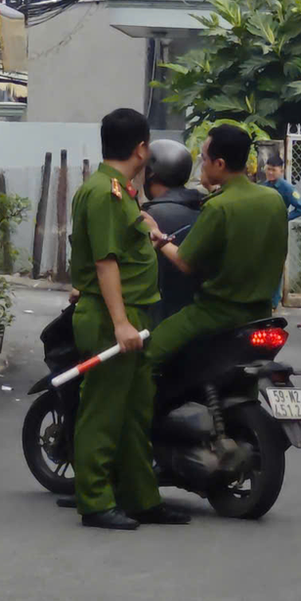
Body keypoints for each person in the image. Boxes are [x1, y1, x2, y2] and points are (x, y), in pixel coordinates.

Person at [66, 107, 173, 531]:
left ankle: (141, 498)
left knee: (132, 412)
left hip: (134, 312)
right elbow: (105, 262)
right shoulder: (105, 192)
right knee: (103, 410)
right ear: (142, 148)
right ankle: (94, 501)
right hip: (116, 314)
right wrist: (121, 324)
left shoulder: (121, 191)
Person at [144, 124, 290, 367]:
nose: (202, 163)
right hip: (262, 313)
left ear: (219, 164)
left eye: (204, 158)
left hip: (216, 312)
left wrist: (158, 238)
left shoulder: (218, 206)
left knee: (147, 356)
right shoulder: (273, 199)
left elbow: (185, 262)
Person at [143, 138, 206, 323]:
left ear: (150, 174)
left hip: (159, 316)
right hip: (201, 311)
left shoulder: (148, 217)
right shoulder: (206, 207)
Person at [260, 153, 301, 221]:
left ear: (281, 171)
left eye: (273, 170)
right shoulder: (263, 185)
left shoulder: (286, 188)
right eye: (268, 169)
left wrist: (284, 218)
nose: (270, 172)